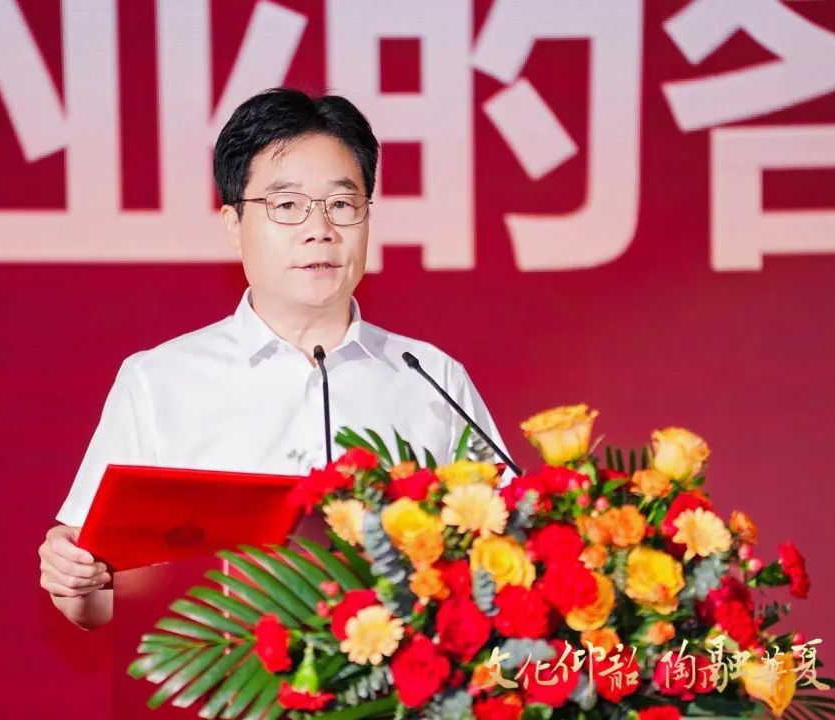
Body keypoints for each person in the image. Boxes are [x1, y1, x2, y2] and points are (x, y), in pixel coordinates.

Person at [38, 87, 511, 631]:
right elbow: (102, 597)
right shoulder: (159, 380)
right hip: (221, 675)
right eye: (287, 206)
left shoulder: (430, 376)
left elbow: (505, 551)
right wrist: (76, 582)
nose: (320, 230)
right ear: (234, 225)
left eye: (342, 204)